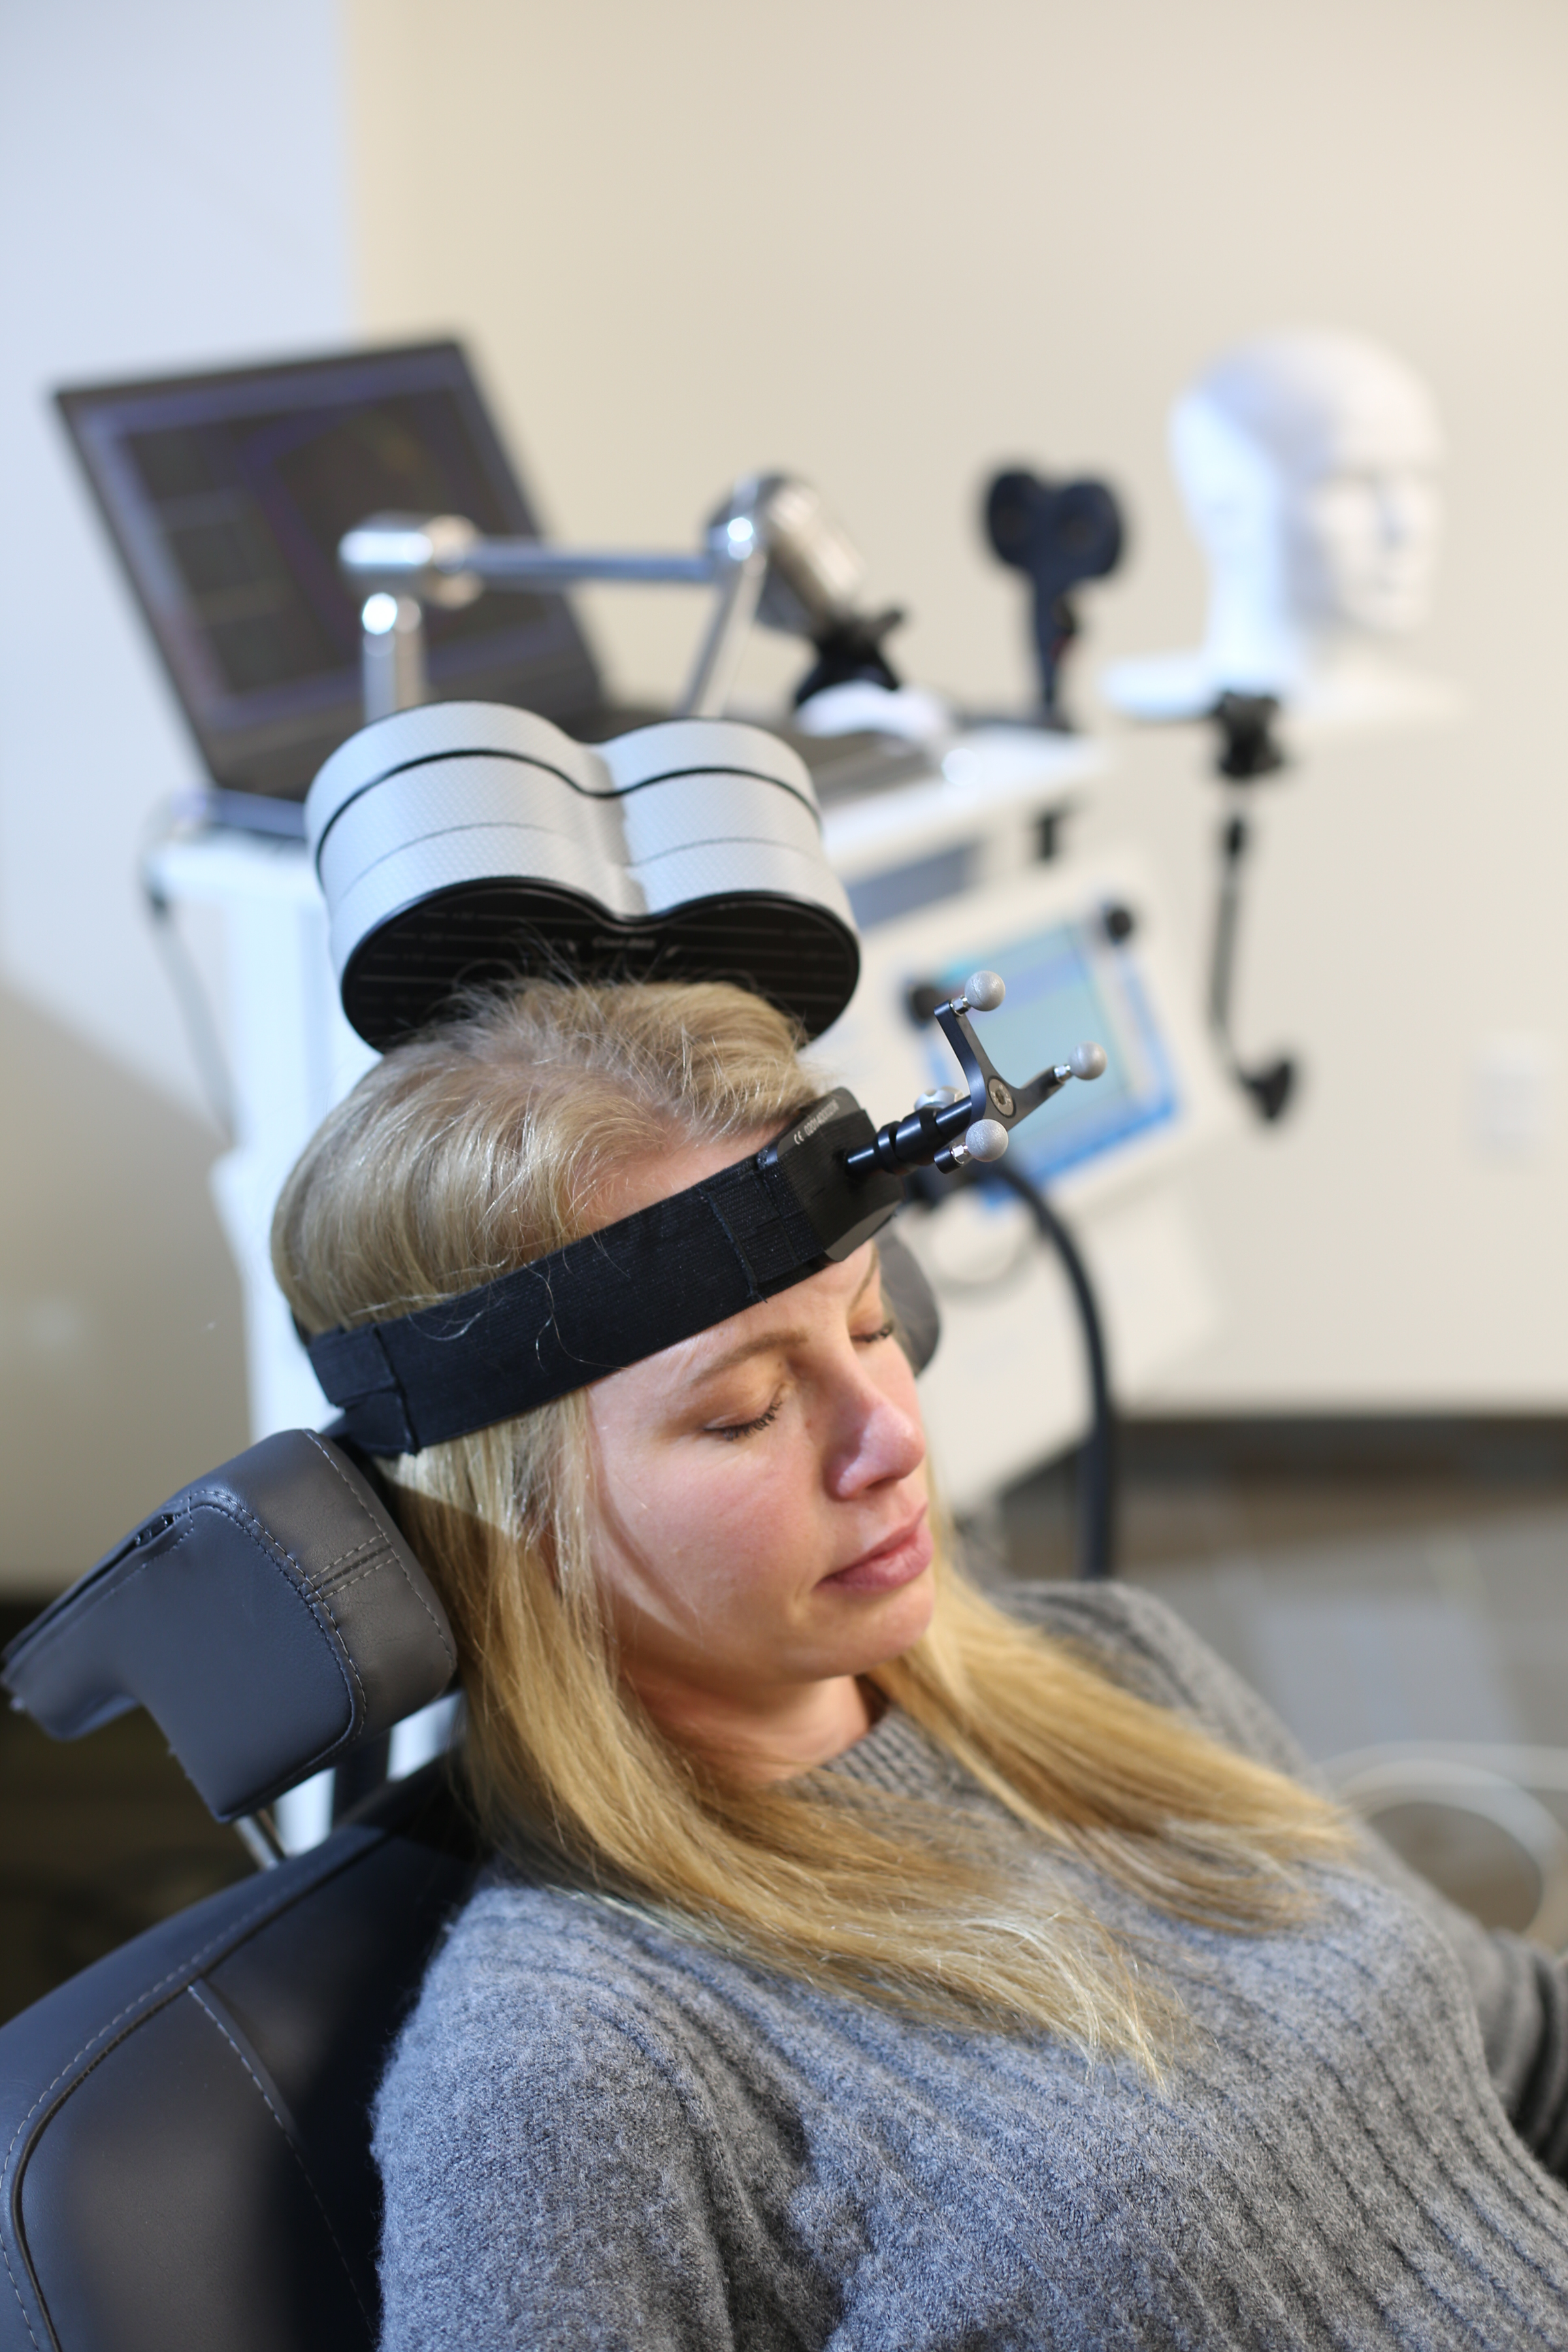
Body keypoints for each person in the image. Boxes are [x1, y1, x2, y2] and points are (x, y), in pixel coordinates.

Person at [273, 978, 1568, 2349]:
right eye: (749, 1410)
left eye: (876, 1328)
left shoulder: (1111, 1665)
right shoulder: (561, 2070)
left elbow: (1516, 2047)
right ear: (511, 1525)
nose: (889, 1436)